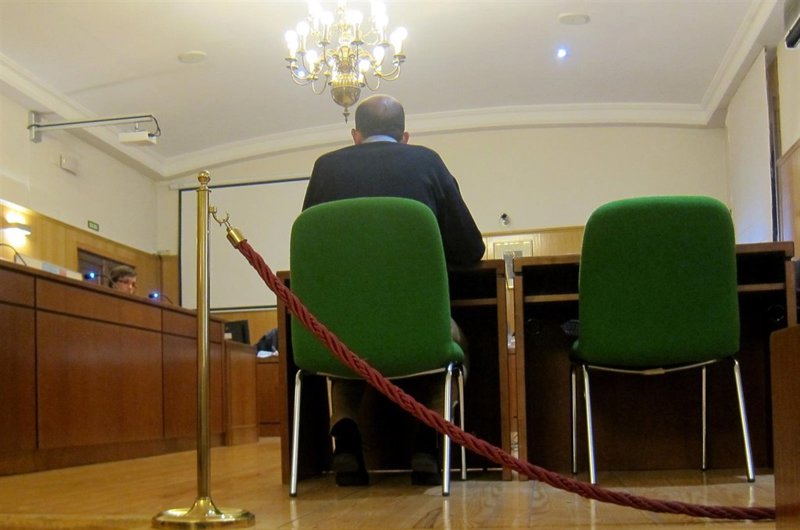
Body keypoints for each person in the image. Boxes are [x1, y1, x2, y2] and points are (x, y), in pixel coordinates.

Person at [302, 94, 485, 487]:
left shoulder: (324, 169)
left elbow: (312, 249)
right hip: (418, 327)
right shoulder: (428, 161)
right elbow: (471, 249)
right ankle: (428, 444)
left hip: (345, 331)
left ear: (355, 135)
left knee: (343, 346)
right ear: (405, 137)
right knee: (447, 343)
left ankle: (346, 442)